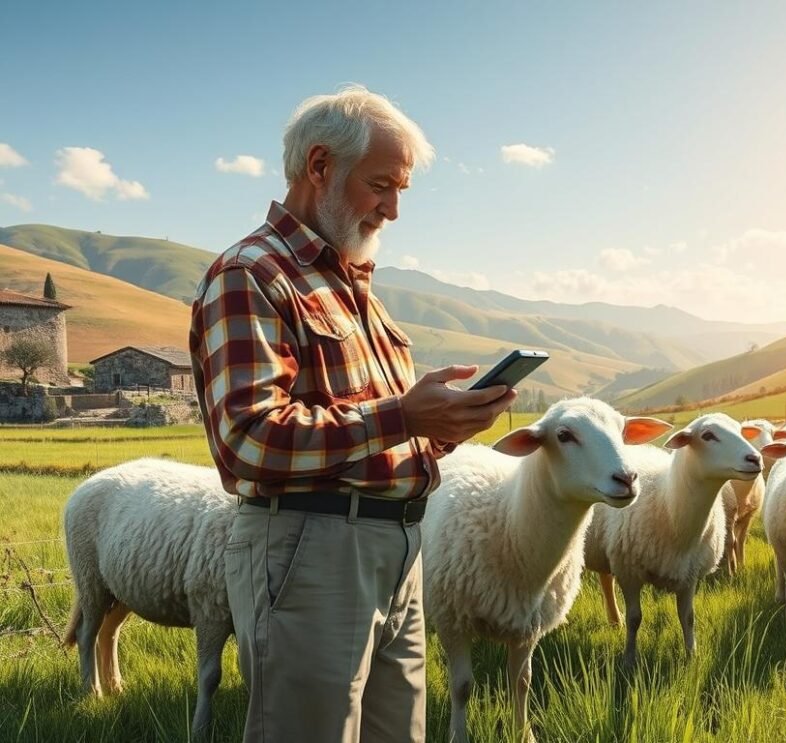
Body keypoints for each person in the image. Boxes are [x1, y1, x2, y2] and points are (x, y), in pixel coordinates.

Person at [189, 84, 516, 742]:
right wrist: (403, 417)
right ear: (319, 167)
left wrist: (442, 426)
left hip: (397, 548)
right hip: (312, 550)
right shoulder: (251, 275)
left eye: (401, 191)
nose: (393, 209)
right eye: (381, 185)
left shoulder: (352, 284)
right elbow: (248, 439)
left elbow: (372, 433)